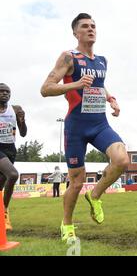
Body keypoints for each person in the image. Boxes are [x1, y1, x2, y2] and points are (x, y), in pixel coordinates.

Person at [40, 13, 129, 243]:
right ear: (75, 32)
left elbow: (99, 83)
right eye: (85, 26)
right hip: (76, 127)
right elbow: (46, 88)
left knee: (122, 160)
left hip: (100, 124)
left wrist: (112, 99)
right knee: (76, 181)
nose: (91, 29)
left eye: (93, 26)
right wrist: (75, 83)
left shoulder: (102, 61)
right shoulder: (69, 58)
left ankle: (95, 195)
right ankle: (67, 225)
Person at [0, 83, 27, 231]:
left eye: (7, 92)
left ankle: (2, 215)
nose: (5, 94)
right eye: (2, 91)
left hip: (10, 149)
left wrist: (22, 121)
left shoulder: (15, 109)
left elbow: (23, 133)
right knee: (13, 174)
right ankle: (4, 212)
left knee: (0, 185)